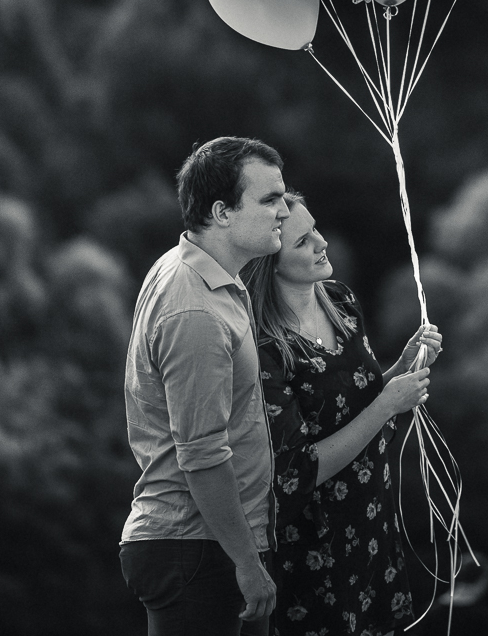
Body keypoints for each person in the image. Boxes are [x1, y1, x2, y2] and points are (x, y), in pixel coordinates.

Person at [245, 191, 442, 636]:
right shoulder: (264, 348)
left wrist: (401, 367)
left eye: (315, 229)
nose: (321, 243)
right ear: (271, 263)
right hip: (317, 545)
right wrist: (390, 401)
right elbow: (296, 472)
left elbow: (358, 407)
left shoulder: (342, 303)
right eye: (303, 242)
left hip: (372, 524)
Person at [120, 136, 291, 636]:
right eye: (270, 199)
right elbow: (201, 454)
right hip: (197, 549)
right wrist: (246, 561)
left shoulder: (205, 275)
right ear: (222, 212)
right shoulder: (194, 308)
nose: (284, 210)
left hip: (213, 545)